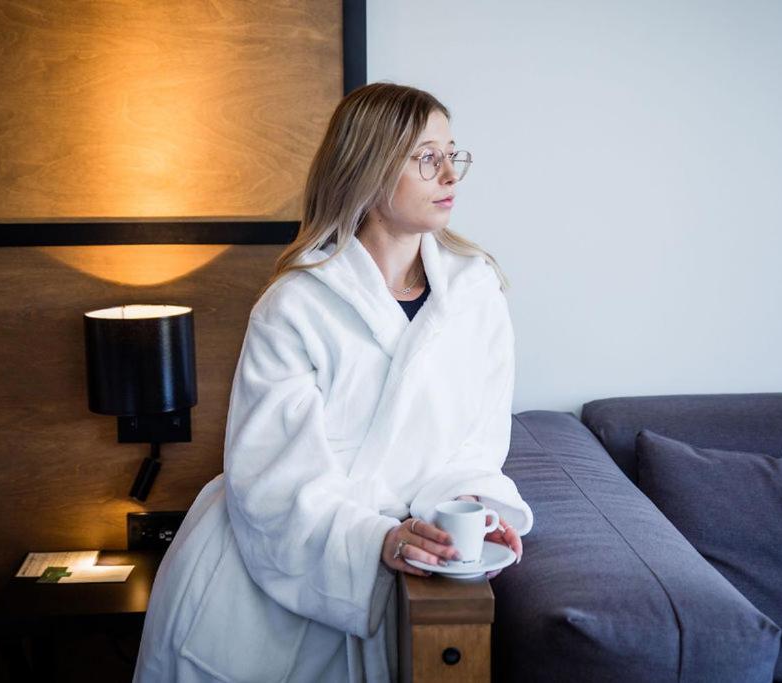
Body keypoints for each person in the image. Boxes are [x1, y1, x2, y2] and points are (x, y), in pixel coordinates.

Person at [132, 82, 534, 682]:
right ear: (370, 168)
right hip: (267, 573)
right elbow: (270, 476)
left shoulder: (477, 296)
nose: (451, 174)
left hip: (409, 569)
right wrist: (376, 540)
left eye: (453, 154)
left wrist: (472, 511)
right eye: (427, 158)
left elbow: (476, 445)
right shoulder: (295, 305)